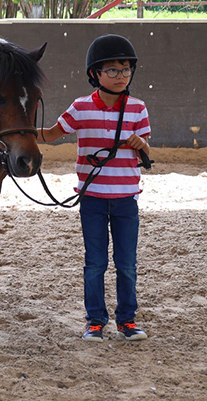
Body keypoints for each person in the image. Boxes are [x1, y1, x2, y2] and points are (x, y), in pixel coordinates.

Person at [37, 34, 152, 342]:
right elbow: (50, 134)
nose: (121, 76)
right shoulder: (80, 108)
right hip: (93, 199)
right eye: (112, 70)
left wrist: (143, 146)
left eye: (125, 69)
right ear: (95, 74)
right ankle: (95, 320)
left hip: (126, 199)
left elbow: (147, 154)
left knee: (127, 263)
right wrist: (17, 134)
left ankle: (127, 320)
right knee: (96, 262)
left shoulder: (138, 109)